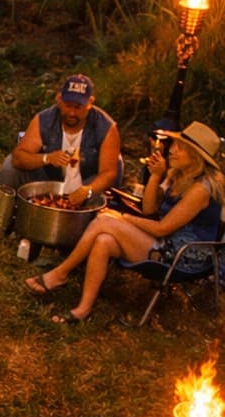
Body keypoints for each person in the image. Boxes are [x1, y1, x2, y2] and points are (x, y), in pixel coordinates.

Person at [25, 120, 225, 323]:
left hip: (183, 257)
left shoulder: (201, 189)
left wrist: (124, 218)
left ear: (195, 157)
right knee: (104, 240)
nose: (171, 150)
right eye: (174, 144)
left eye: (180, 147)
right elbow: (148, 210)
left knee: (105, 221)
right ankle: (83, 310)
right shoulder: (179, 174)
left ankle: (60, 273)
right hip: (166, 243)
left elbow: (162, 228)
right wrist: (155, 177)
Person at [0, 74, 122, 212]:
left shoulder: (106, 127)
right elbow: (18, 158)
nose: (72, 113)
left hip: (87, 183)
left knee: (107, 181)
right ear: (59, 99)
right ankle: (6, 215)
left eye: (78, 107)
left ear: (90, 103)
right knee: (9, 167)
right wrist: (47, 158)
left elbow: (109, 173)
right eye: (68, 106)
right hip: (51, 180)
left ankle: (89, 217)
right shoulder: (44, 120)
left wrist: (88, 190)